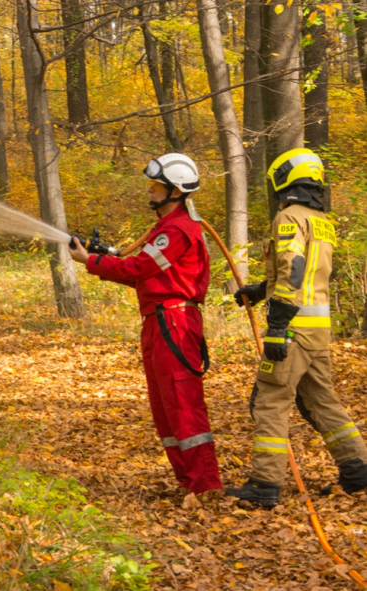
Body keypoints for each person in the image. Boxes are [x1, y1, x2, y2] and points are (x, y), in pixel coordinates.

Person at [69, 153, 222, 495]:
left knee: (182, 402)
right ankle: (189, 482)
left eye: (156, 186)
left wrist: (91, 261)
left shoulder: (179, 229)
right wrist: (98, 261)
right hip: (158, 320)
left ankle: (206, 486)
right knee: (164, 406)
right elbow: (143, 274)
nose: (150, 192)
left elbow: (138, 270)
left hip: (175, 322)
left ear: (176, 191)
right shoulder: (164, 228)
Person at [226, 148, 367, 508]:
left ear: (284, 178)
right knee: (322, 399)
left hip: (293, 330)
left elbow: (293, 266)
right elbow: (310, 271)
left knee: (270, 401)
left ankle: (264, 485)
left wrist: (277, 326)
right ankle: (358, 470)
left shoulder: (288, 217)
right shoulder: (321, 221)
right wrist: (260, 291)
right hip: (318, 330)